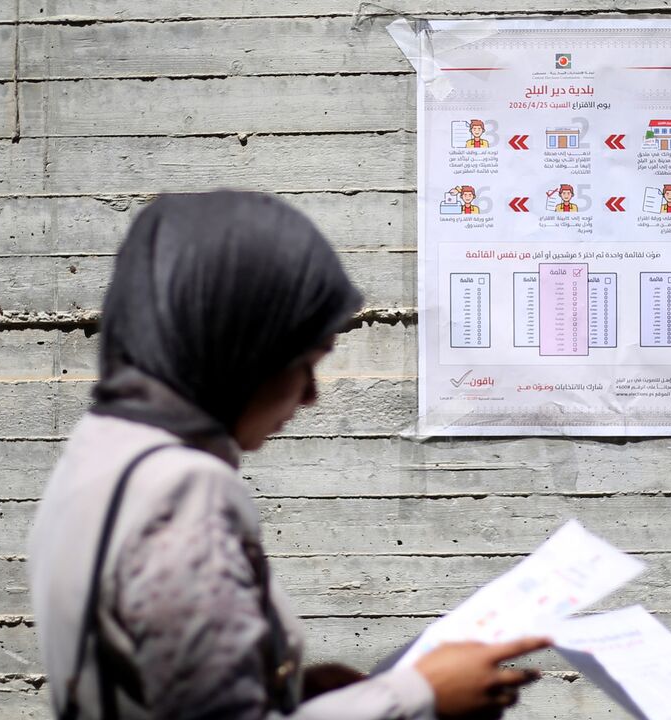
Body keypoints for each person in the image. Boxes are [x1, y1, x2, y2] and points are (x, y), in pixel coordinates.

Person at [28, 191, 547, 719]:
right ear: (242, 346)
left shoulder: (102, 447)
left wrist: (297, 690)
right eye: (304, 362)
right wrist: (419, 695)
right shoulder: (181, 490)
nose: (311, 395)